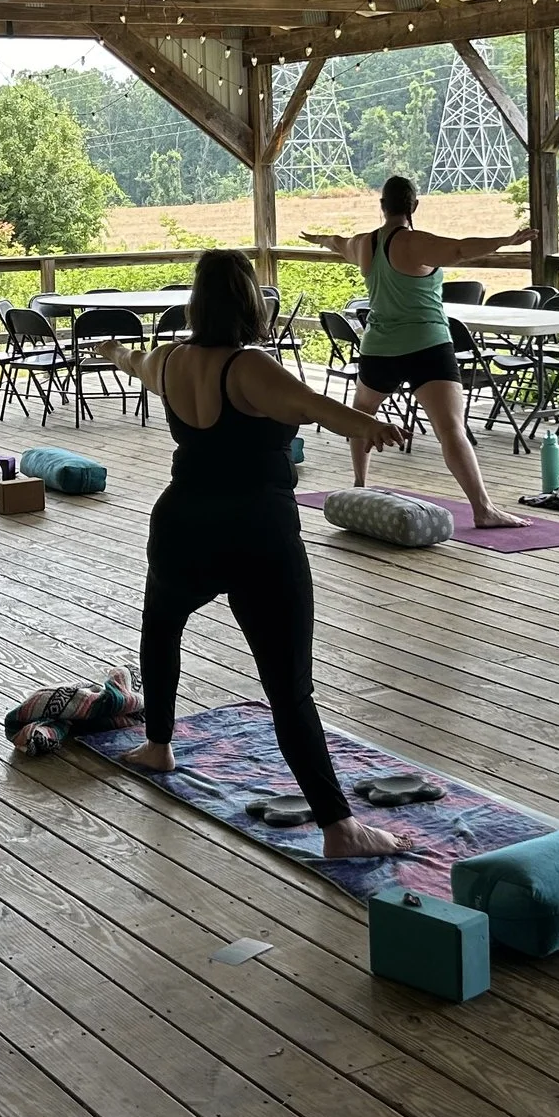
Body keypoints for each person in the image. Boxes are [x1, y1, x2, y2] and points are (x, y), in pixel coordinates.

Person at [96, 249, 411, 859]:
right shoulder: (250, 366)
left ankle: (158, 743)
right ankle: (340, 829)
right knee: (288, 689)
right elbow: (322, 411)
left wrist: (113, 354)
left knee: (161, 630)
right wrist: (371, 427)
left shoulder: (168, 360)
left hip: (183, 521)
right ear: (248, 302)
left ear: (196, 301)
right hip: (258, 534)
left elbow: (132, 359)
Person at [302, 175, 533, 528]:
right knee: (450, 428)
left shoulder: (365, 243)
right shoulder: (414, 242)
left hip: (379, 347)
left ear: (383, 206)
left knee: (362, 413)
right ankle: (483, 509)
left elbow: (338, 242)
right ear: (414, 206)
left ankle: (360, 485)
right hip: (427, 344)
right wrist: (508, 240)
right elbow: (460, 249)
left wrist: (320, 239)